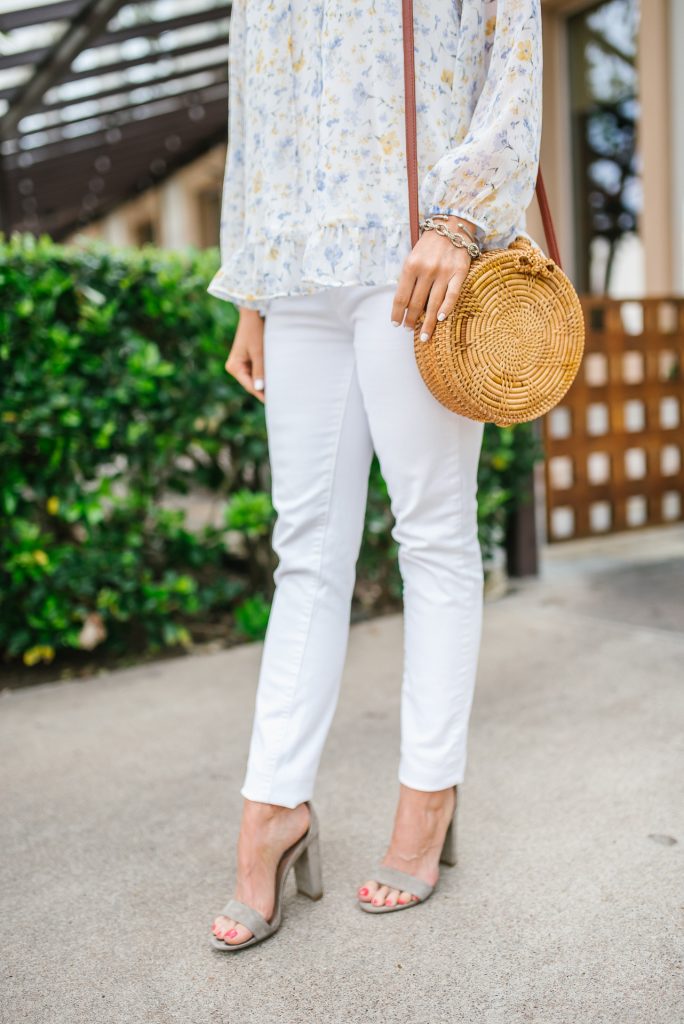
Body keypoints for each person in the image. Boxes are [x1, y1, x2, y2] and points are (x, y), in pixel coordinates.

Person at [207, 0, 542, 949]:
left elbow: (512, 55)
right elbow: (255, 111)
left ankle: (428, 798)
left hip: (418, 255)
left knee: (432, 535)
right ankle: (274, 808)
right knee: (304, 552)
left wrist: (461, 217)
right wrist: (250, 292)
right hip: (298, 271)